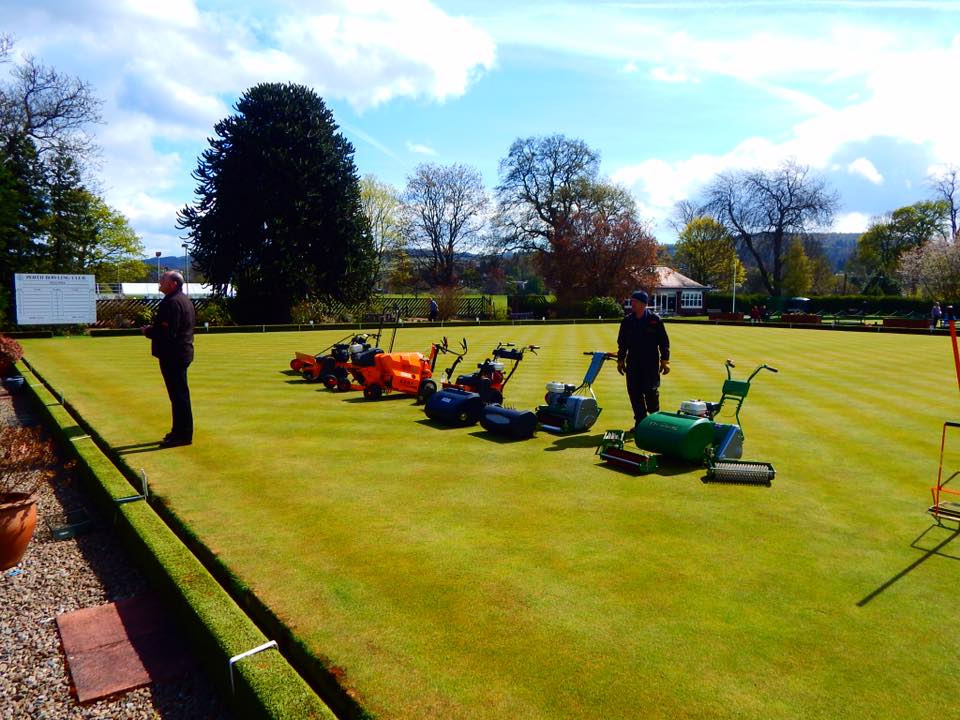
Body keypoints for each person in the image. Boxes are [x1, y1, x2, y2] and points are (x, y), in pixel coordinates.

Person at [142, 271, 195, 447]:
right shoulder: (183, 299)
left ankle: (183, 435)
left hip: (174, 354)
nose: (160, 281)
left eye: (163, 279)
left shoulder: (172, 302)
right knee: (178, 395)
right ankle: (178, 431)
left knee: (179, 396)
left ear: (173, 283)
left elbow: (167, 332)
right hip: (180, 353)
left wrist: (148, 331)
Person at [617, 290, 670, 426]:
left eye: (635, 301)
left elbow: (664, 342)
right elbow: (622, 343)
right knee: (634, 393)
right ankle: (640, 423)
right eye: (632, 301)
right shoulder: (627, 321)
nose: (632, 303)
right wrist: (620, 360)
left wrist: (665, 360)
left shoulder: (655, 320)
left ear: (643, 304)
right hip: (633, 362)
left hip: (650, 363)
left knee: (650, 392)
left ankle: (654, 422)